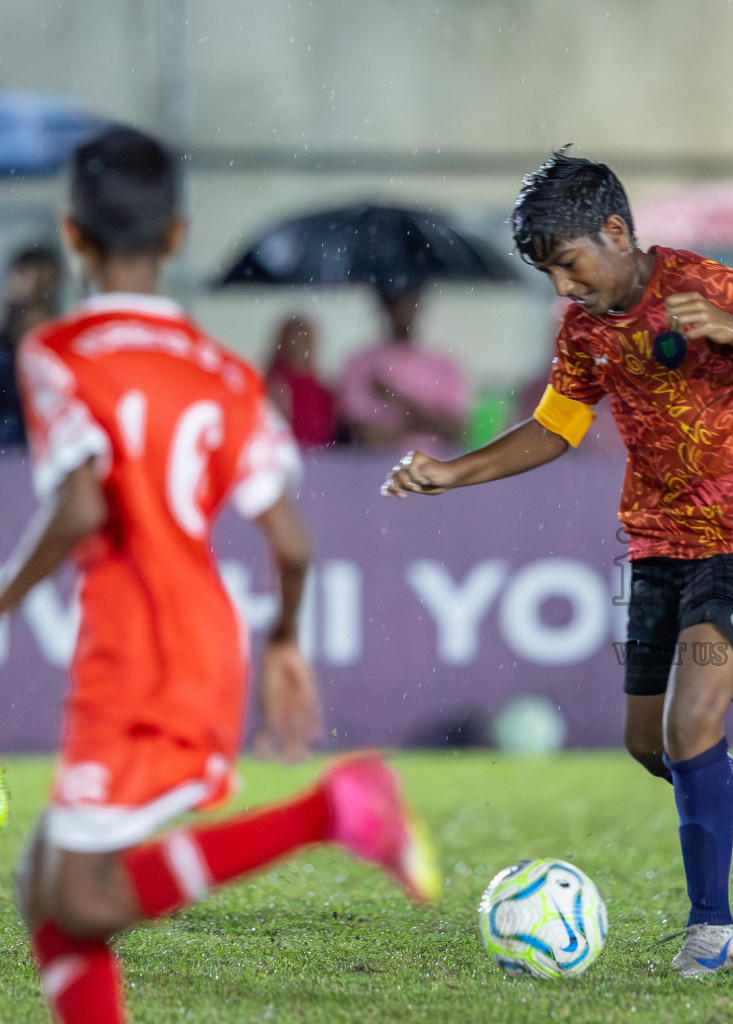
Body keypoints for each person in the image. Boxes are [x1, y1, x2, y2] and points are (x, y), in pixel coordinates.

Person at [3, 126, 440, 1024]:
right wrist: (282, 637)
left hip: (136, 646)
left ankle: (333, 810)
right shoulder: (221, 373)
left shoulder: (58, 354)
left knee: (80, 897)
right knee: (43, 884)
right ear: (175, 237)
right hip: (203, 635)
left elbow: (83, 507)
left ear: (73, 235)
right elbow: (290, 541)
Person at [384, 152, 733, 977]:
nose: (563, 285)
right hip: (656, 546)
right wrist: (450, 472)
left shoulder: (703, 287)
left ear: (618, 231)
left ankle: (710, 932)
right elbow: (554, 427)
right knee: (647, 743)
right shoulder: (584, 330)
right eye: (550, 271)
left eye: (568, 262)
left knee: (691, 723)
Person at [339, 284, 469, 453]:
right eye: (397, 300)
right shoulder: (360, 363)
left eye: (410, 300)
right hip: (375, 472)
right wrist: (426, 423)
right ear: (385, 304)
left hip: (434, 470)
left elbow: (456, 430)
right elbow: (364, 434)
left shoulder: (445, 365)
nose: (403, 309)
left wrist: (396, 398)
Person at [0, 245, 64, 450]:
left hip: (42, 446)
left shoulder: (58, 340)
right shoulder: (5, 339)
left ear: (46, 278)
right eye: (15, 271)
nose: (14, 279)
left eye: (24, 271)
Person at [265, 313, 340, 447]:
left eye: (304, 340)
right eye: (294, 340)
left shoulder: (323, 390)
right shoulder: (272, 386)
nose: (299, 347)